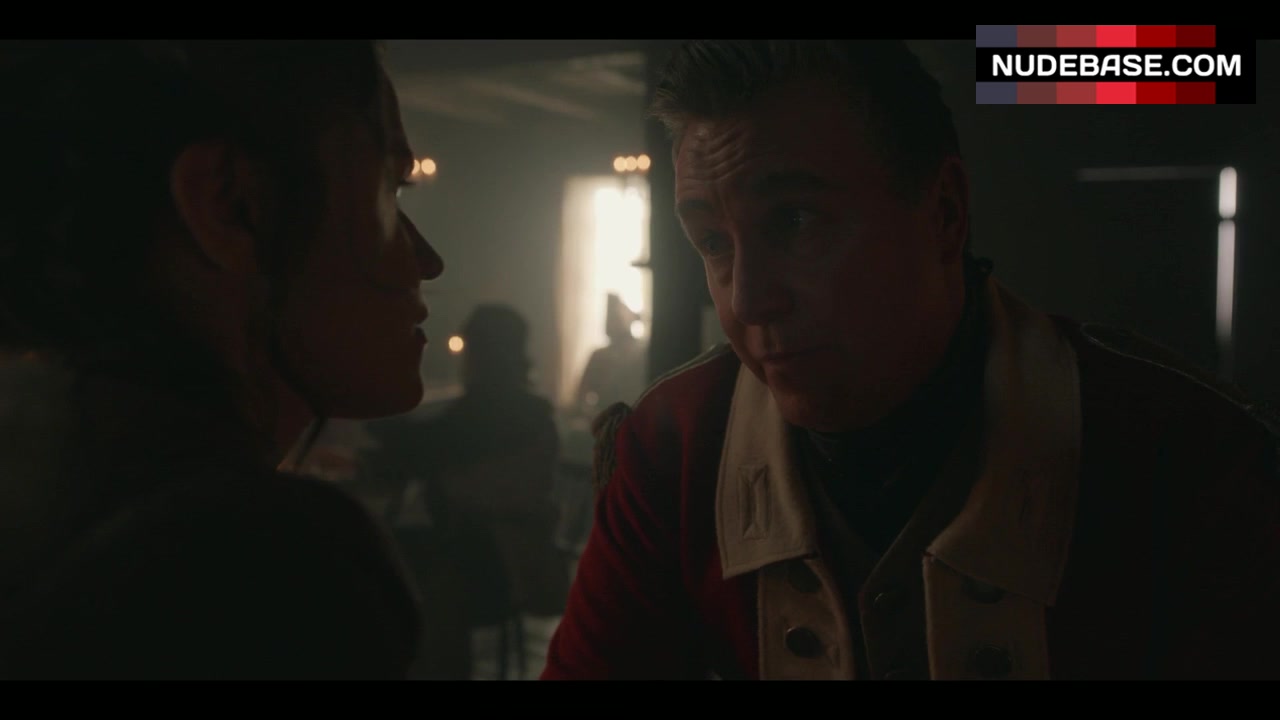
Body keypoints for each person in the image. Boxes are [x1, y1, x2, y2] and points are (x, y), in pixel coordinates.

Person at [542, 39, 1280, 680]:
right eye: (713, 242)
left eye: (795, 219)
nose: (750, 299)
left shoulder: (1181, 452)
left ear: (944, 213)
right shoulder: (677, 444)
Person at [0, 40, 444, 679]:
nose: (427, 260)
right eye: (391, 190)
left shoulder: (46, 474)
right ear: (230, 205)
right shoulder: (254, 560)